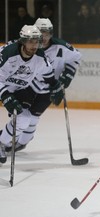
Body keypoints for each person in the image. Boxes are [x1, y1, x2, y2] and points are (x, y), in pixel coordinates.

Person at [9, 18, 82, 152]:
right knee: (21, 114)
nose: (44, 36)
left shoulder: (61, 46)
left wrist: (66, 77)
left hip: (49, 88)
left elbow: (76, 58)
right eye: (41, 33)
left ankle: (22, 142)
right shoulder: (28, 46)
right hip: (28, 85)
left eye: (47, 33)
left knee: (34, 116)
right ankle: (7, 138)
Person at [0, 25, 64, 163]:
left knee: (24, 119)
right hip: (3, 86)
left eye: (36, 41)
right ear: (22, 41)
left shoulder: (40, 57)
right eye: (30, 41)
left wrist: (55, 85)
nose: (34, 45)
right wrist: (5, 95)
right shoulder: (8, 54)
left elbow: (47, 74)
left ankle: (1, 142)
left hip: (20, 89)